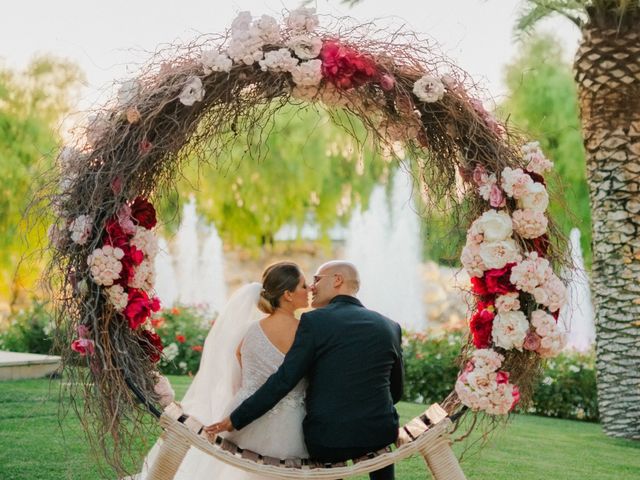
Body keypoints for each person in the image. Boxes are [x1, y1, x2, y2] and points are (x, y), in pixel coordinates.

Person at [206, 261, 404, 480]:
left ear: (337, 280)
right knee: (381, 444)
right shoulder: (390, 326)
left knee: (328, 448)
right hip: (380, 434)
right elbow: (396, 392)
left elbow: (284, 380)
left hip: (328, 440)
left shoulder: (314, 321)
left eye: (317, 279)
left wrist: (236, 419)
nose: (312, 287)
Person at [139, 261, 310, 479]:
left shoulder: (247, 333)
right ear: (288, 294)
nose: (309, 290)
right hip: (291, 428)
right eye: (304, 286)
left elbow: (235, 382)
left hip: (242, 423)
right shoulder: (307, 332)